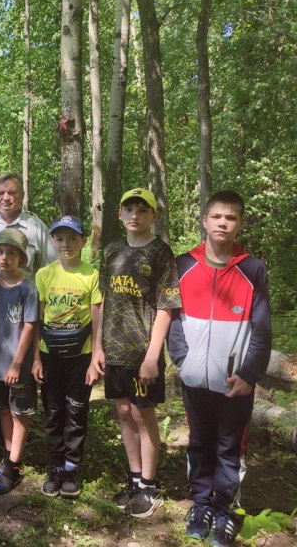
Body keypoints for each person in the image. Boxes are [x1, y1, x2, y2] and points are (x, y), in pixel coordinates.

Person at [168, 191, 271, 547]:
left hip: (235, 384)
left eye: (231, 218)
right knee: (199, 442)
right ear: (205, 221)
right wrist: (182, 362)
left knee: (229, 447)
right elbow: (173, 320)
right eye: (216, 217)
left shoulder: (252, 269)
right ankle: (201, 505)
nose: (223, 223)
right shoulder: (183, 264)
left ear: (240, 223)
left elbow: (261, 328)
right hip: (195, 379)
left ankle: (225, 511)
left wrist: (249, 374)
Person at [92, 187, 181, 518]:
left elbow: (166, 307)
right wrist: (98, 346)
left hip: (143, 353)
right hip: (114, 351)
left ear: (152, 216)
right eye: (128, 208)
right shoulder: (112, 251)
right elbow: (102, 301)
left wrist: (151, 357)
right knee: (124, 412)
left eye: (142, 210)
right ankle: (133, 478)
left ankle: (149, 484)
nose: (135, 215)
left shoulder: (161, 251)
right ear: (119, 213)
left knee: (144, 415)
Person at [33, 215, 103, 499]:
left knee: (76, 411)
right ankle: (56, 466)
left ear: (83, 241)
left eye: (73, 238)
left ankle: (72, 466)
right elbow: (37, 318)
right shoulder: (43, 274)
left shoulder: (91, 275)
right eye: (60, 238)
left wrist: (97, 352)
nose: (66, 244)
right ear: (52, 242)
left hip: (81, 356)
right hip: (50, 355)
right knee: (53, 411)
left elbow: (97, 316)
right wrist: (36, 358)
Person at [0, 228, 39, 495]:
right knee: (3, 409)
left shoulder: (28, 288)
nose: (5, 257)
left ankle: (14, 465)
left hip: (20, 366)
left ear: (21, 258)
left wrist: (18, 363)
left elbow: (29, 327)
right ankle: (9, 457)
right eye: (1, 252)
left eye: (12, 253)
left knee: (20, 412)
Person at [0, 172, 57, 279]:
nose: (6, 197)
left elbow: (51, 268)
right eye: (1, 193)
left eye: (12, 193)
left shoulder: (38, 228)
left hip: (25, 294)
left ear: (22, 195)